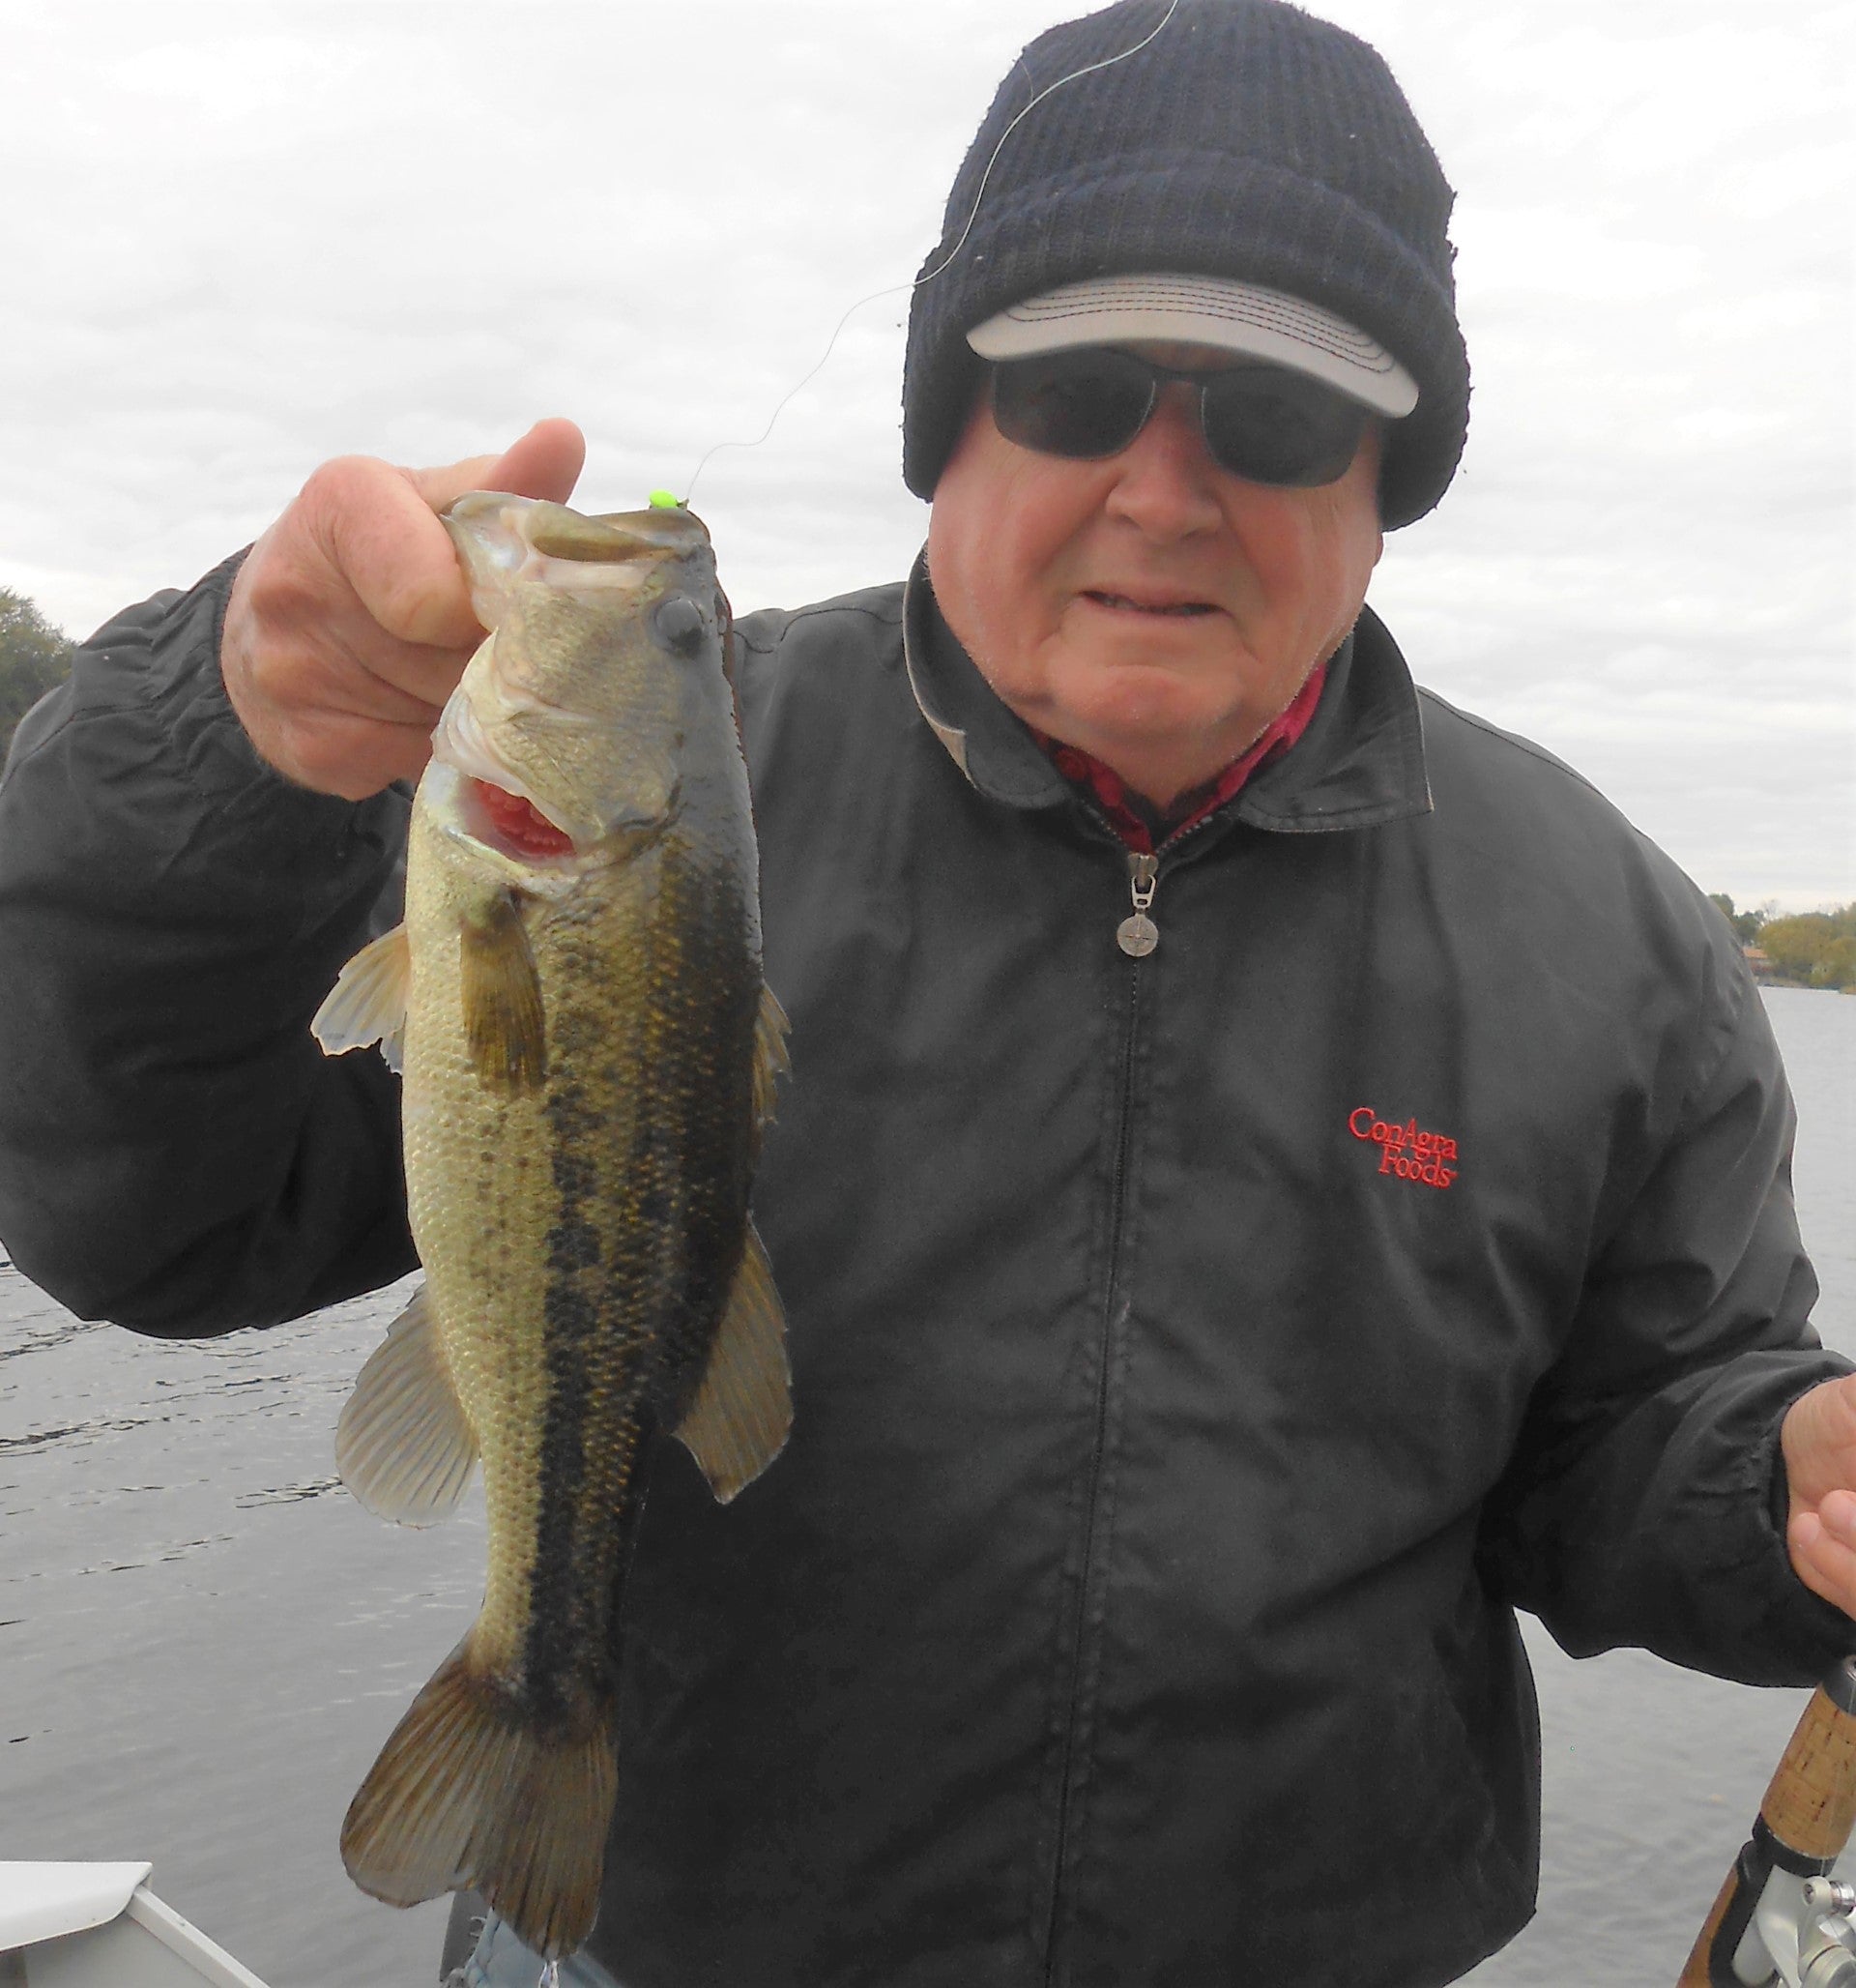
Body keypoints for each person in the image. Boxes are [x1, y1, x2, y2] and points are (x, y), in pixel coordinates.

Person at [2, 3, 1854, 1983]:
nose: (1163, 485)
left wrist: (1784, 1480)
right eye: (1072, 392)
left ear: (1388, 478)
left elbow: (1628, 1439)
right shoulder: (638, 786)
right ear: (944, 424)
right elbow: (144, 1202)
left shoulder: (1609, 932)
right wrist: (226, 750)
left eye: (1280, 415)